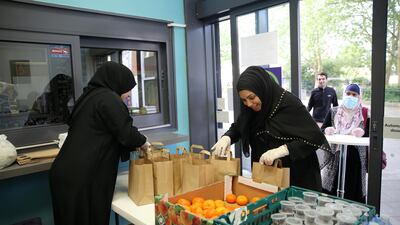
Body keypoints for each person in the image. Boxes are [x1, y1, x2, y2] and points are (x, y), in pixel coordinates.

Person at [49, 62, 150, 225]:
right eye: (128, 88)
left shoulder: (89, 97)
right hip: (81, 179)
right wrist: (144, 142)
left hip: (65, 174)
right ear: (118, 81)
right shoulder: (108, 99)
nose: (128, 94)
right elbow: (125, 133)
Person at [212, 66, 334, 191]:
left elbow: (315, 137)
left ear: (262, 89)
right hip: (267, 174)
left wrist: (282, 150)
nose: (248, 104)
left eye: (252, 97)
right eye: (244, 100)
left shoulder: (289, 103)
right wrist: (227, 137)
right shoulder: (250, 109)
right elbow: (240, 125)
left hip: (297, 176)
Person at [320, 83, 368, 202]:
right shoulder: (334, 111)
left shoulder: (364, 113)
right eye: (348, 94)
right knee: (332, 185)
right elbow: (321, 130)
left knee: (352, 187)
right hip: (335, 155)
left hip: (355, 157)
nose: (351, 97)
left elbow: (371, 133)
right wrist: (327, 130)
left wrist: (363, 132)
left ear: (359, 96)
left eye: (354, 94)